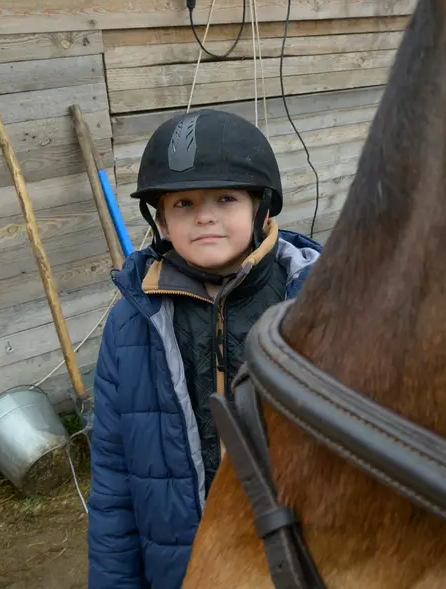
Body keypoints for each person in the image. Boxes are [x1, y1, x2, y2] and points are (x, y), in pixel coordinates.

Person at [86, 108, 322, 589]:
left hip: (302, 563)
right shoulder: (131, 325)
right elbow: (113, 483)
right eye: (183, 203)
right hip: (181, 566)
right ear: (161, 221)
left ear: (262, 209)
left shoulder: (318, 308)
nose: (205, 216)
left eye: (226, 198)